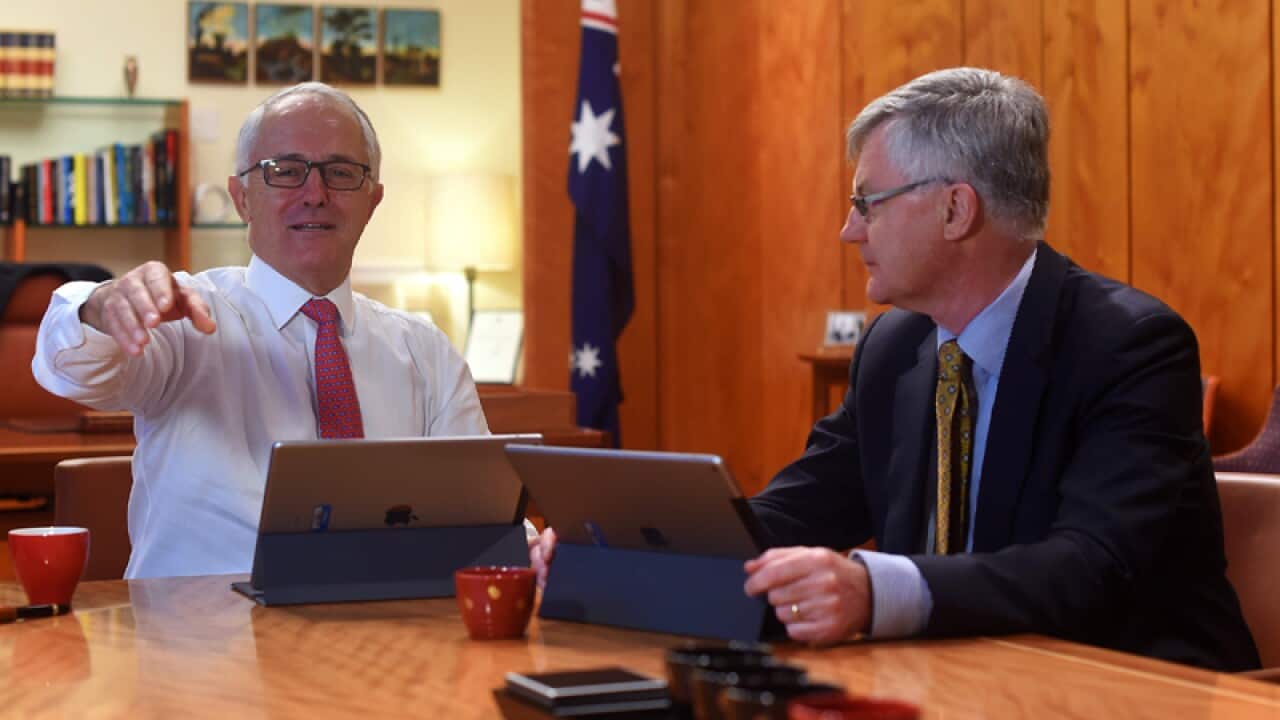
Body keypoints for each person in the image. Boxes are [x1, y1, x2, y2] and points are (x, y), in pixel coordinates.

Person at [530, 67, 1259, 671]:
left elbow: (1089, 568)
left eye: (865, 203)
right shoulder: (895, 348)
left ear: (954, 211)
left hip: (1130, 683)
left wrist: (873, 592)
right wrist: (629, 534)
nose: (849, 230)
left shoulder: (1132, 346)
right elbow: (798, 511)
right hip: (951, 677)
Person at [33, 82, 488, 579]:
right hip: (202, 641)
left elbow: (479, 512)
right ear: (242, 198)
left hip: (387, 633)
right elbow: (74, 372)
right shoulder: (187, 318)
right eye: (286, 172)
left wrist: (531, 549)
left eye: (340, 173)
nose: (315, 195)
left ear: (373, 200)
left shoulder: (424, 351)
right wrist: (101, 306)